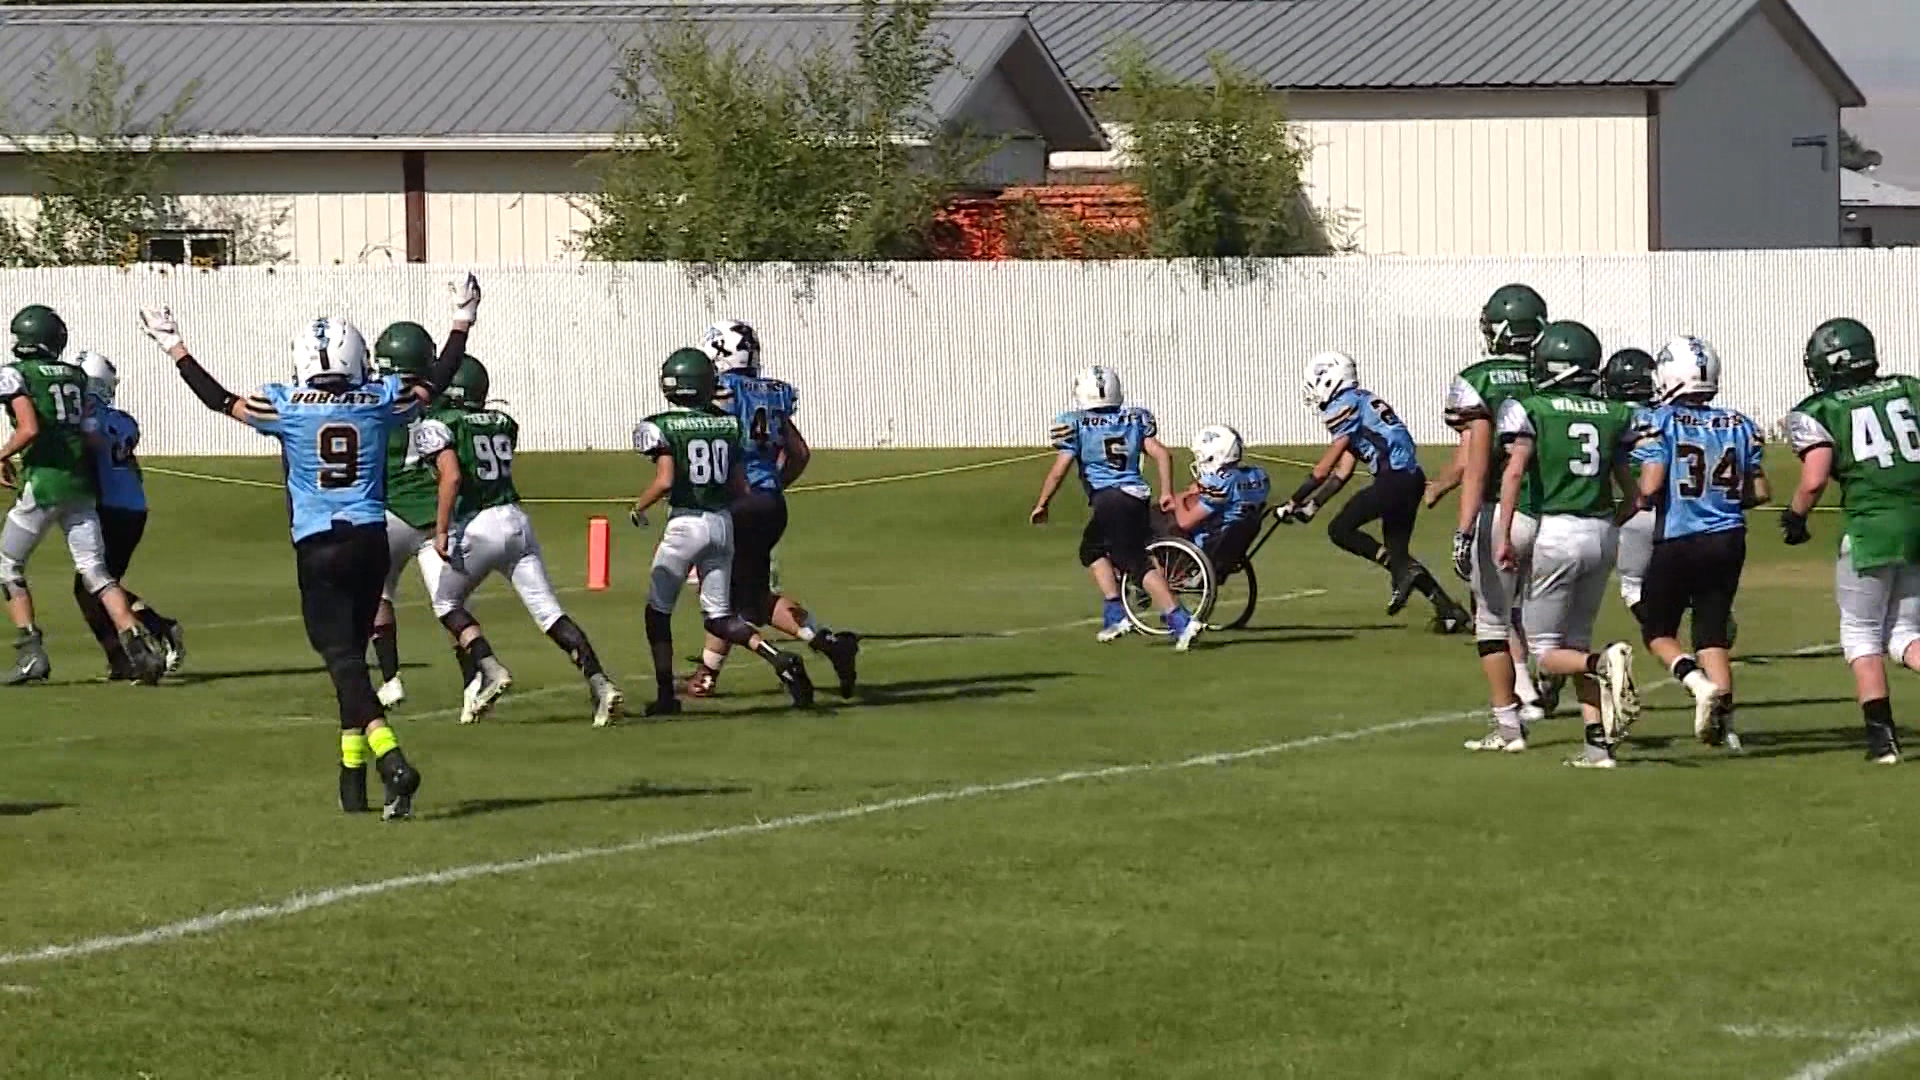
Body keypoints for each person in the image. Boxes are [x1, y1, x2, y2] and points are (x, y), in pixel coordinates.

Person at [138, 277, 477, 818]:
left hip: (319, 544)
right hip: (370, 538)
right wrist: (462, 318)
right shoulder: (379, 400)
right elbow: (435, 381)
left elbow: (219, 399)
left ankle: (392, 761)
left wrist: (173, 344)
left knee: (341, 660)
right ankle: (351, 778)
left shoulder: (285, 404)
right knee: (352, 657)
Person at [414, 355, 625, 727]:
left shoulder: (440, 424)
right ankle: (600, 683)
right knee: (550, 613)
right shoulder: (502, 421)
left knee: (446, 602)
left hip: (479, 523)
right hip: (516, 520)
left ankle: (491, 670)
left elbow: (452, 477)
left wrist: (442, 529)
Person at [1491, 320, 1644, 766]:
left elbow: (1514, 473)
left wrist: (1504, 535)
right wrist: (1609, 523)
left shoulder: (1532, 408)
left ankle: (1603, 663)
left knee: (1545, 655)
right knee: (1574, 642)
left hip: (1556, 531)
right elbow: (1635, 495)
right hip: (1602, 532)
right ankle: (1598, 746)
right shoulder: (1614, 413)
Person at [632, 348, 814, 718]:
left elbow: (665, 480)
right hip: (721, 525)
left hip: (685, 524)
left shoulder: (661, 425)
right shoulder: (729, 426)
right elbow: (740, 484)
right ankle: (778, 658)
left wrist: (638, 507)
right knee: (720, 616)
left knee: (658, 612)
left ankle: (666, 695)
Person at [685, 320, 859, 700]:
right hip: (771, 505)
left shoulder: (720, 394)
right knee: (754, 599)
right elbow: (800, 453)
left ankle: (713, 676)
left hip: (737, 505)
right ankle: (830, 642)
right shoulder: (772, 394)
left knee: (721, 598)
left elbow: (715, 452)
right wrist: (774, 486)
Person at [1, 304, 164, 686]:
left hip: (44, 483)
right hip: (80, 486)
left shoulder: (16, 373)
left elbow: (28, 429)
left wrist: (3, 455)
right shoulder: (76, 376)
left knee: (7, 565)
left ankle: (31, 652)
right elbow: (89, 435)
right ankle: (139, 647)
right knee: (96, 572)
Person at [1782, 317, 1920, 765]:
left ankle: (1882, 740)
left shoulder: (1821, 408)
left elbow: (1814, 477)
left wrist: (1795, 516)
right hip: (1918, 522)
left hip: (1870, 527)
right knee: (1904, 634)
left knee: (1861, 632)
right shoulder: (1908, 388)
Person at [1432, 286, 1558, 745]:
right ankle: (1537, 684)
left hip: (1502, 510)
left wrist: (1463, 527)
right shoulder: (1552, 374)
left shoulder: (1478, 380)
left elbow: (1476, 461)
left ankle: (1510, 719)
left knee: (1491, 617)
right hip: (1560, 510)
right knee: (1541, 613)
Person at [1632, 336, 1767, 750]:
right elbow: (1759, 492)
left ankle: (1695, 682)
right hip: (1729, 538)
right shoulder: (1740, 423)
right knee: (1711, 632)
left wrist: (1633, 499)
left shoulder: (1659, 420)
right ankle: (1728, 728)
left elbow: (1651, 484)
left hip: (1680, 537)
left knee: (1657, 630)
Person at [1285, 350, 1469, 630]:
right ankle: (1449, 611)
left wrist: (1293, 500)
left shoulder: (1344, 405)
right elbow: (1343, 471)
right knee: (1400, 558)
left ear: (1331, 380)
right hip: (1410, 479)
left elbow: (1324, 469)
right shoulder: (1361, 400)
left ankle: (1402, 574)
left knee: (1340, 530)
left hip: (1393, 480)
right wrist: (1312, 506)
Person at [1030, 364, 1202, 650]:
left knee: (1132, 561)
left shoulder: (1076, 424)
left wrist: (1042, 503)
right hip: (1135, 496)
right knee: (1092, 549)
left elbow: (1060, 470)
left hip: (1111, 499)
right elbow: (1163, 454)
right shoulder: (1134, 419)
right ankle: (1115, 613)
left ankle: (1179, 619)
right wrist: (1166, 491)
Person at [71, 350, 186, 680]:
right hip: (133, 506)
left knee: (94, 586)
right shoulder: (122, 419)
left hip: (110, 508)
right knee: (97, 585)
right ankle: (126, 656)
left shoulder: (84, 420)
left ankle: (155, 631)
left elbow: (87, 451)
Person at [365, 320, 443, 709]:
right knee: (450, 605)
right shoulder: (436, 401)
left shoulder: (377, 400)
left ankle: (390, 677)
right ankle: (477, 675)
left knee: (377, 595)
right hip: (433, 513)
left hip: (389, 510)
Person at [1602, 347, 1658, 624]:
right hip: (1678, 508)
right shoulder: (1667, 415)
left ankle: (1660, 634)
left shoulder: (1612, 415)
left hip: (1636, 507)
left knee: (1632, 587)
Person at [1168, 425, 1269, 574]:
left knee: (1159, 523)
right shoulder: (1258, 476)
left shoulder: (1221, 484)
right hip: (1234, 542)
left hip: (1210, 543)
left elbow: (1185, 522)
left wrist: (1179, 499)